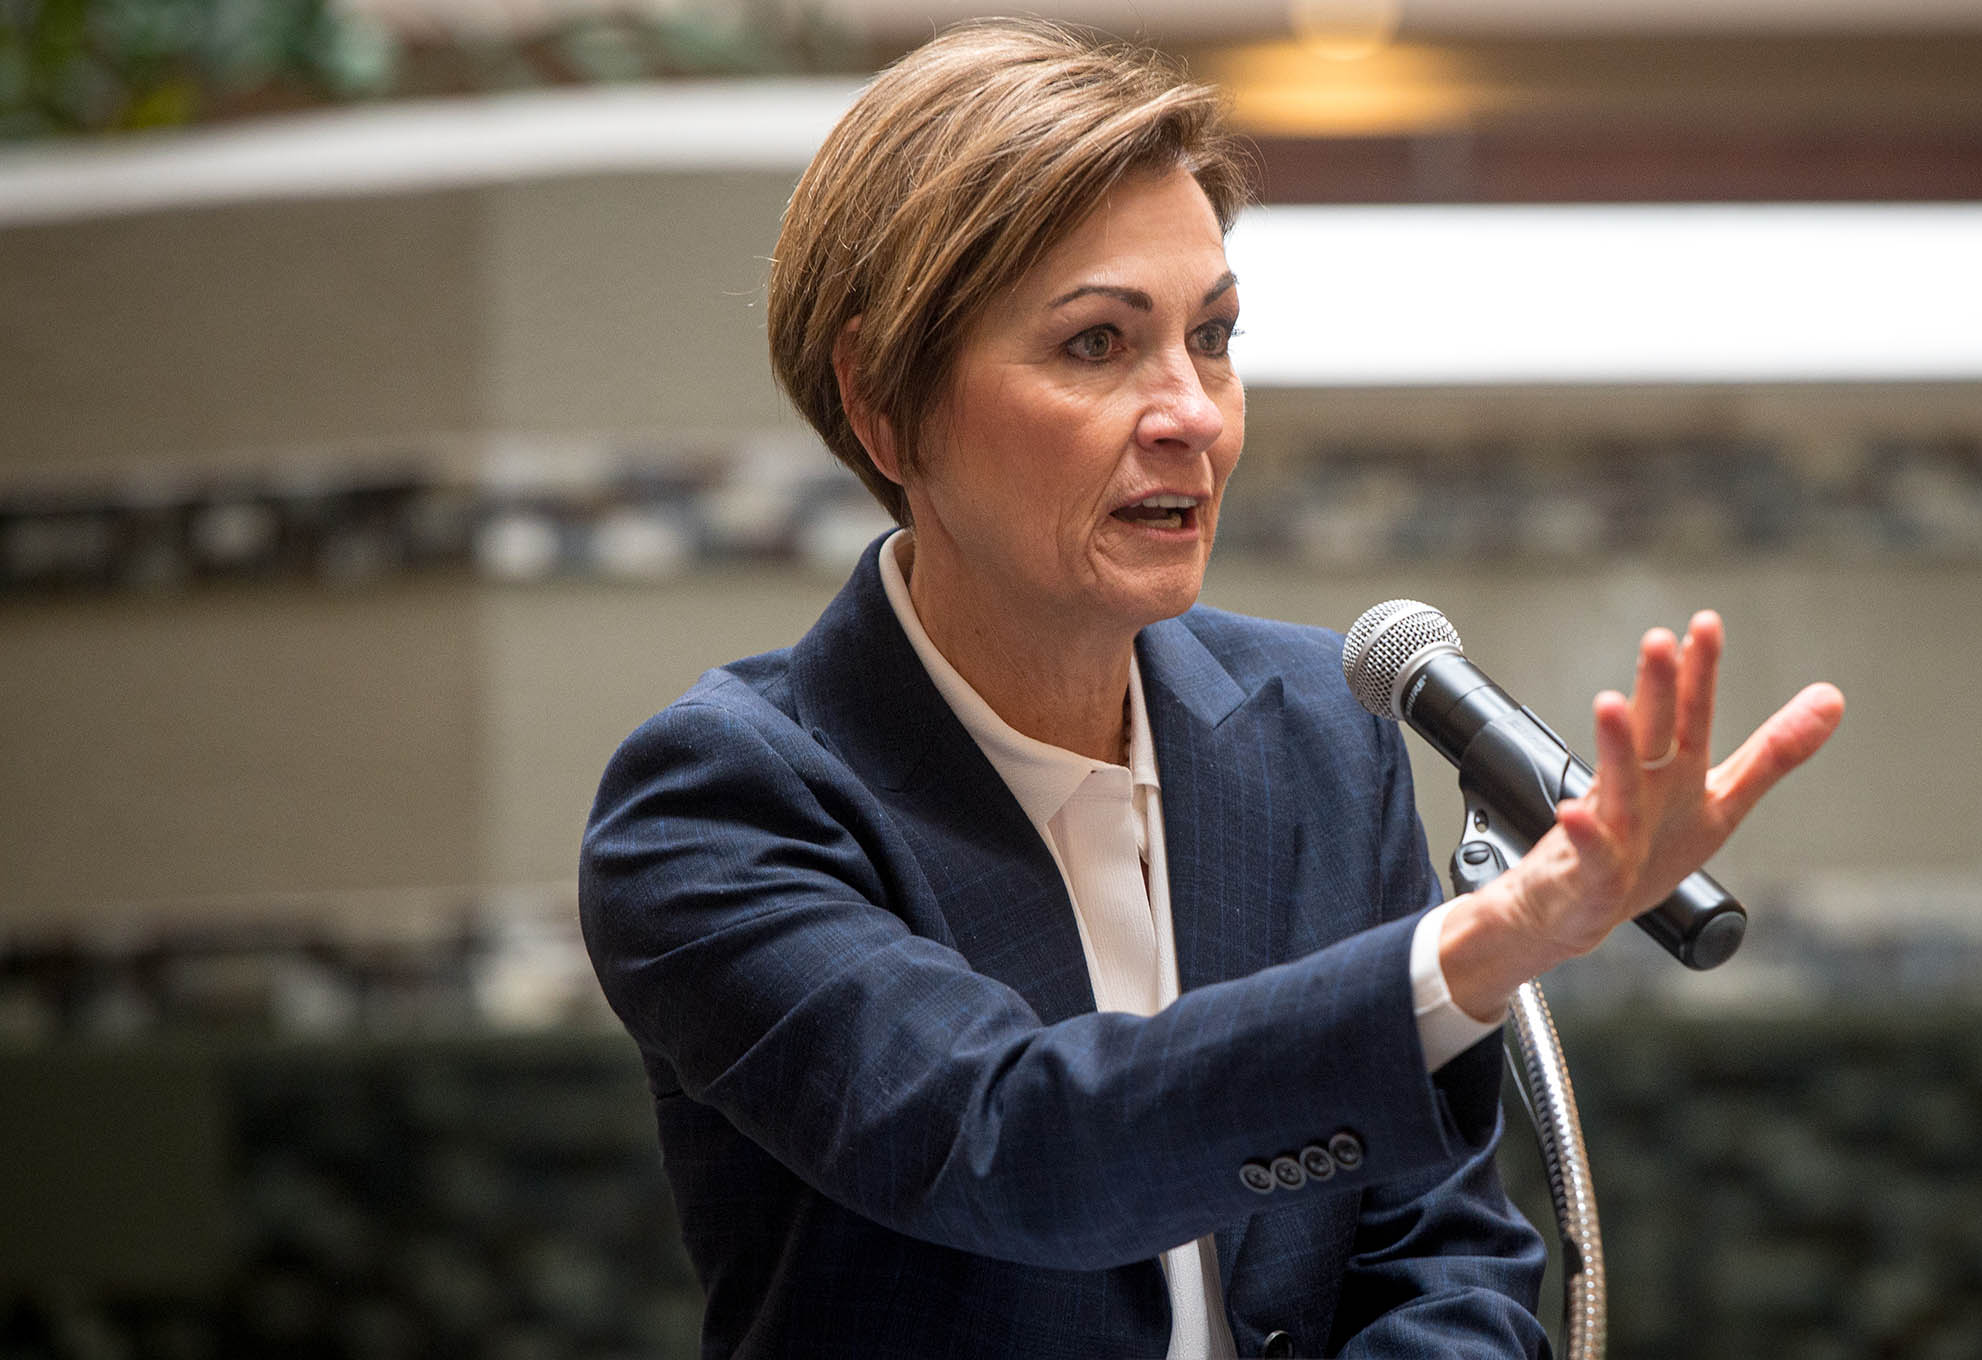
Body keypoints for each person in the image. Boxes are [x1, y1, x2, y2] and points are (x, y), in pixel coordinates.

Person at [579, 18, 1845, 1359]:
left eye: (1215, 335)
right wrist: (1484, 943)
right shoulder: (719, 804)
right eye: (1096, 346)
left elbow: (1442, 1256)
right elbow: (1019, 1144)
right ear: (885, 407)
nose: (1194, 411)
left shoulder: (1316, 726)